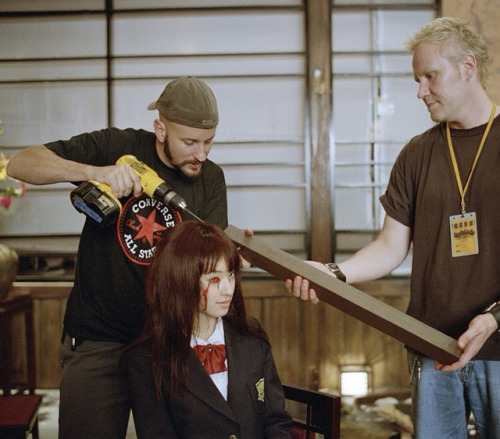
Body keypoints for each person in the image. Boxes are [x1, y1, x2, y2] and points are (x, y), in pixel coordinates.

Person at [286, 17, 500, 439]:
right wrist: (336, 273)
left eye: (430, 76)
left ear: (468, 67)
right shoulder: (417, 153)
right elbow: (390, 246)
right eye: (416, 79)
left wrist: (494, 319)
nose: (420, 91)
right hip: (430, 347)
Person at [7, 77, 228, 439]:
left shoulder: (211, 180)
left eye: (208, 142)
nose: (200, 154)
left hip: (167, 341)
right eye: (189, 142)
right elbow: (21, 163)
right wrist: (94, 172)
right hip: (98, 340)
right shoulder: (117, 146)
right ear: (160, 129)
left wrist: (231, 259)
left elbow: (212, 257)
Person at [125, 220, 292, 439]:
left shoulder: (251, 336)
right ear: (181, 280)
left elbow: (276, 421)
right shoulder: (146, 359)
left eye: (231, 275)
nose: (227, 289)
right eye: (214, 278)